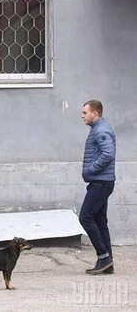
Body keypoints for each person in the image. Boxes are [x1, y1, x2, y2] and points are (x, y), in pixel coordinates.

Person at [79, 99, 116, 274]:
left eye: (85, 112)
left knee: (85, 217)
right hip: (102, 181)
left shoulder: (101, 130)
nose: (82, 116)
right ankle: (107, 263)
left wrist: (90, 169)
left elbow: (108, 154)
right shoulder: (98, 129)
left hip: (101, 182)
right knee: (100, 221)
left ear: (95, 113)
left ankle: (104, 256)